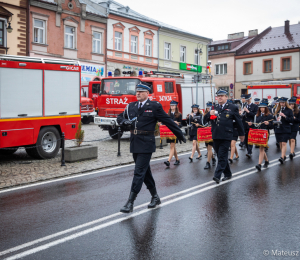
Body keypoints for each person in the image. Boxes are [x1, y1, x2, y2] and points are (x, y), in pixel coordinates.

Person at [117, 84, 186, 213]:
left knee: (138, 171)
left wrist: (179, 134)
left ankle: (130, 202)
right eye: (137, 91)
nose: (138, 94)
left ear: (147, 93)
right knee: (145, 171)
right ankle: (155, 197)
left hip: (146, 143)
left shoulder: (154, 106)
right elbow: (119, 117)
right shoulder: (131, 106)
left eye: (141, 92)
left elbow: (168, 121)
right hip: (135, 142)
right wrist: (124, 122)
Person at [208, 89, 245, 184]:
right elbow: (205, 119)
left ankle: (217, 176)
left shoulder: (232, 107)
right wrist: (209, 114)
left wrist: (241, 134)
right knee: (221, 156)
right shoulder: (214, 107)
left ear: (226, 97)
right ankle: (228, 173)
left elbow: (238, 121)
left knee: (222, 155)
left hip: (226, 135)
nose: (220, 97)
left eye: (222, 95)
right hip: (216, 135)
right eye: (218, 96)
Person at [248, 101, 274, 171]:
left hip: (265, 134)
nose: (262, 109)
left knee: (261, 148)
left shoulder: (269, 116)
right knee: (261, 148)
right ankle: (266, 161)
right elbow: (256, 125)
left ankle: (259, 164)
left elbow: (272, 127)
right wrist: (251, 124)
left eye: (263, 107)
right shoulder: (257, 116)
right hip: (258, 133)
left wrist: (268, 123)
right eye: (260, 107)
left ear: (266, 108)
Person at [161, 100, 182, 166]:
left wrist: (177, 124)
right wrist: (161, 123)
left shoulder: (179, 114)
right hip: (169, 132)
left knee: (171, 146)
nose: (171, 107)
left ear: (176, 106)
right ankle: (177, 159)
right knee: (173, 146)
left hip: (175, 132)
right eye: (171, 105)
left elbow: (181, 125)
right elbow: (165, 122)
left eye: (173, 105)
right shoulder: (168, 114)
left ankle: (168, 161)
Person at [274, 97, 293, 164]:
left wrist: (284, 116)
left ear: (285, 103)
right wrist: (277, 119)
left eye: (283, 103)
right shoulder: (277, 109)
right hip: (279, 128)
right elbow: (274, 118)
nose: (282, 104)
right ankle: (284, 155)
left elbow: (291, 120)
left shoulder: (289, 110)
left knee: (284, 143)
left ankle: (282, 157)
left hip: (286, 128)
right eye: (281, 103)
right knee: (280, 143)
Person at [203, 101, 216, 169]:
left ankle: (208, 163)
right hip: (206, 132)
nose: (208, 109)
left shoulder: (215, 113)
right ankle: (213, 158)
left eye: (210, 108)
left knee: (209, 147)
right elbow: (204, 120)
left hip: (212, 132)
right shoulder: (206, 114)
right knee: (207, 147)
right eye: (207, 108)